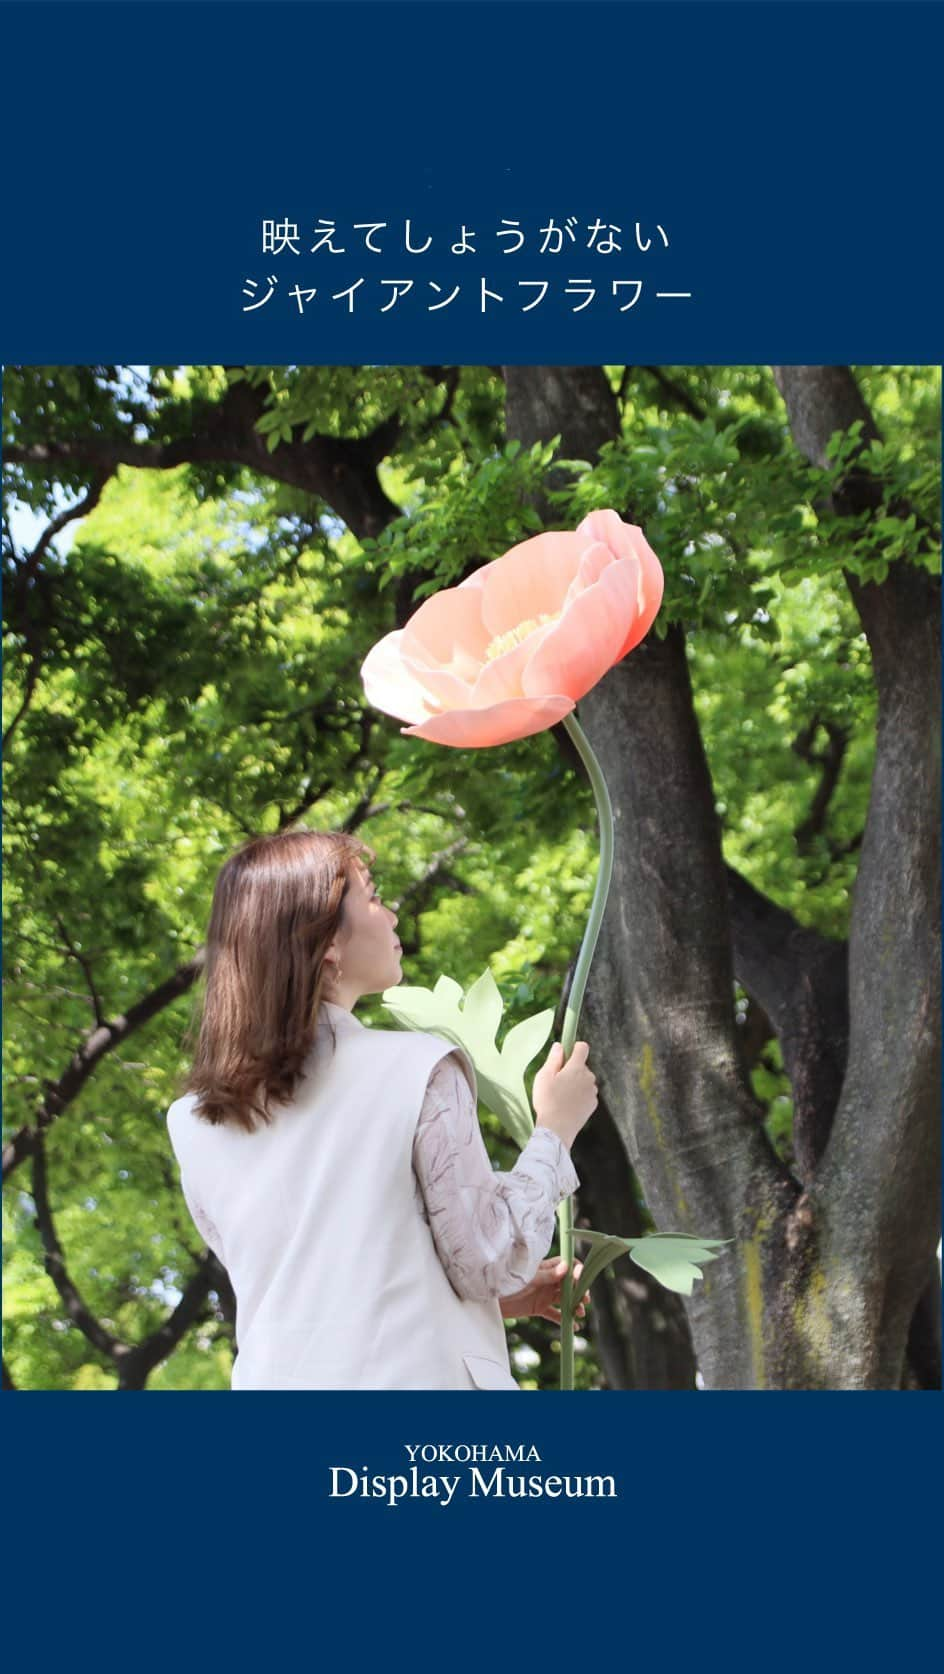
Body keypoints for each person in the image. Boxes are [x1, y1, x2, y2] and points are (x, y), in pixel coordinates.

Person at [166, 826, 598, 1390]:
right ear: (324, 941)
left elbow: (316, 1285)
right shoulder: (417, 1067)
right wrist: (554, 1131)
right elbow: (490, 1258)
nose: (391, 914)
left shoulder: (195, 1121)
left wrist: (488, 1303)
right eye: (371, 896)